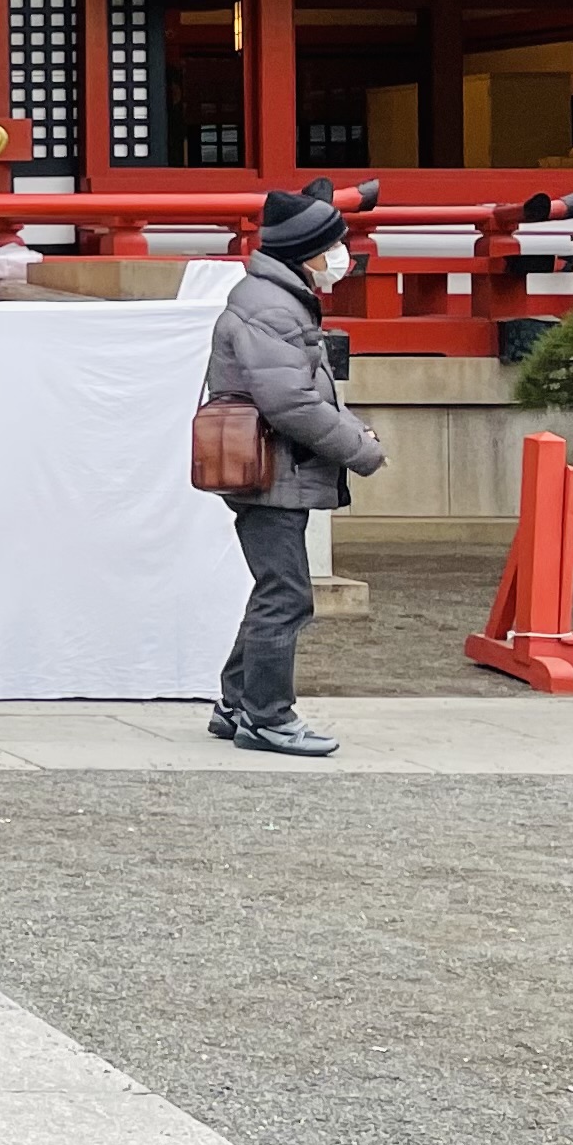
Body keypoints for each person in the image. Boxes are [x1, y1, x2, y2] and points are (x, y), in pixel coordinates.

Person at [200, 185, 386, 760]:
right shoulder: (271, 307)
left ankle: (237, 702)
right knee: (286, 595)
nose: (343, 254)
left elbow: (304, 393)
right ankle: (268, 717)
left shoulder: (276, 299)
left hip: (273, 465)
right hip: (272, 469)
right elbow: (293, 405)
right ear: (306, 251)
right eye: (334, 244)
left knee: (276, 590)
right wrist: (361, 448)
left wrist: (353, 434)